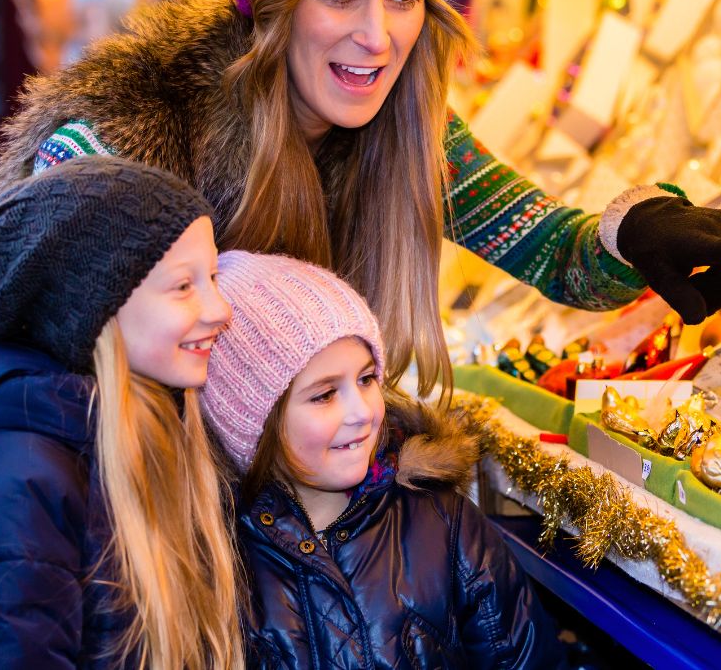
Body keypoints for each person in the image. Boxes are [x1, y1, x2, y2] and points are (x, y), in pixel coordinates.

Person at [0, 0, 721, 657]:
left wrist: (635, 237)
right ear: (276, 1)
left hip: (277, 565)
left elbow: (546, 244)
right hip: (137, 568)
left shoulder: (404, 123)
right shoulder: (134, 129)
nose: (377, 34)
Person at [0, 156, 243, 668]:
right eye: (184, 285)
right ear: (89, 304)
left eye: (213, 276)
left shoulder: (136, 428)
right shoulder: (21, 485)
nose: (221, 309)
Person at [202, 251, 564, 668]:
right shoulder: (220, 557)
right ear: (252, 420)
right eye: (324, 394)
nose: (363, 412)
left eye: (366, 378)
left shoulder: (443, 522)